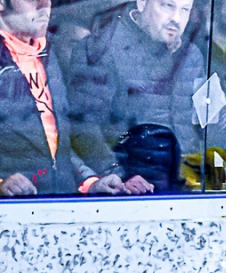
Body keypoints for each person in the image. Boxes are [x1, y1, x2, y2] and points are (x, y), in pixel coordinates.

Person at [66, 0, 226, 178]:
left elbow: (216, 119)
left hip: (185, 187)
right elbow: (83, 127)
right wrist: (114, 173)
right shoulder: (100, 50)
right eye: (168, 6)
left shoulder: (191, 55)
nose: (176, 19)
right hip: (132, 190)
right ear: (142, 3)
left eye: (185, 10)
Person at [0, 0, 151, 196]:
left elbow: (57, 147)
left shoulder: (46, 56)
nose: (44, 5)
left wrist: (90, 182)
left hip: (59, 207)